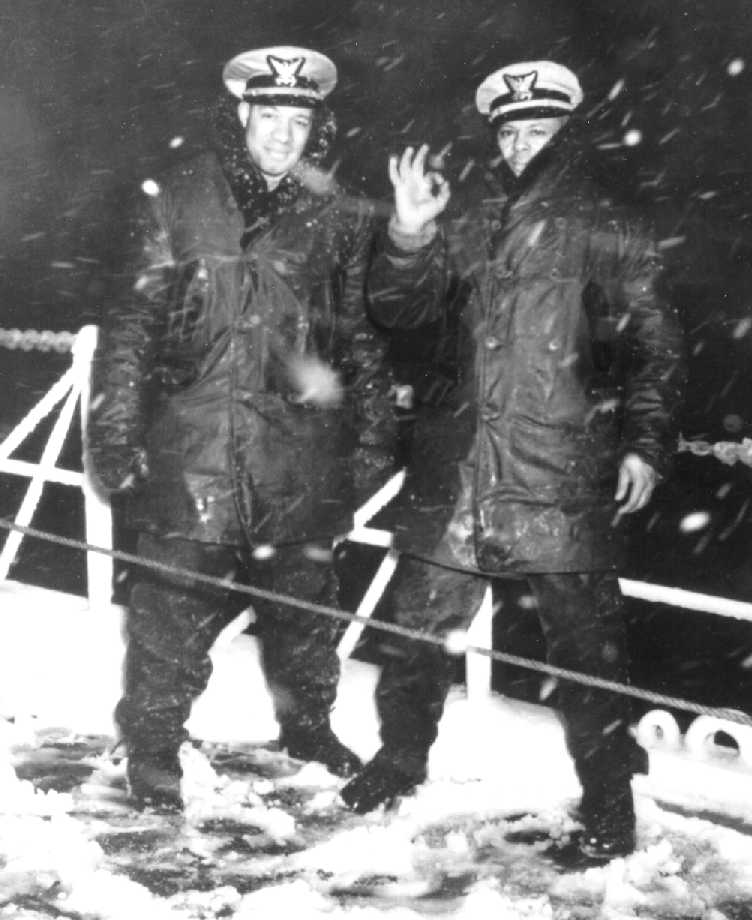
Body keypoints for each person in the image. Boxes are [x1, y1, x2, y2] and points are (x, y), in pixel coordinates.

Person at [340, 60, 686, 864]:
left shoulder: (611, 223)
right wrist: (409, 232)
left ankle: (609, 807)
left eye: (539, 130)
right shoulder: (465, 218)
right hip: (457, 467)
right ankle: (398, 765)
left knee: (588, 653)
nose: (523, 143)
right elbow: (399, 310)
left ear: (568, 133)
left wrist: (645, 442)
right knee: (415, 634)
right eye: (511, 130)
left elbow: (657, 348)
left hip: (558, 466)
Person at [87, 45, 396, 809]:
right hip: (193, 442)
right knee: (169, 613)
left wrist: (373, 443)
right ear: (242, 115)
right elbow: (133, 323)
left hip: (301, 454)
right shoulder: (177, 196)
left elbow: (359, 337)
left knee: (306, 609)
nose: (283, 135)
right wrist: (115, 433)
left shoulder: (342, 213)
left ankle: (310, 731)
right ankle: (154, 747)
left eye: (299, 121)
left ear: (313, 127)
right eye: (270, 117)